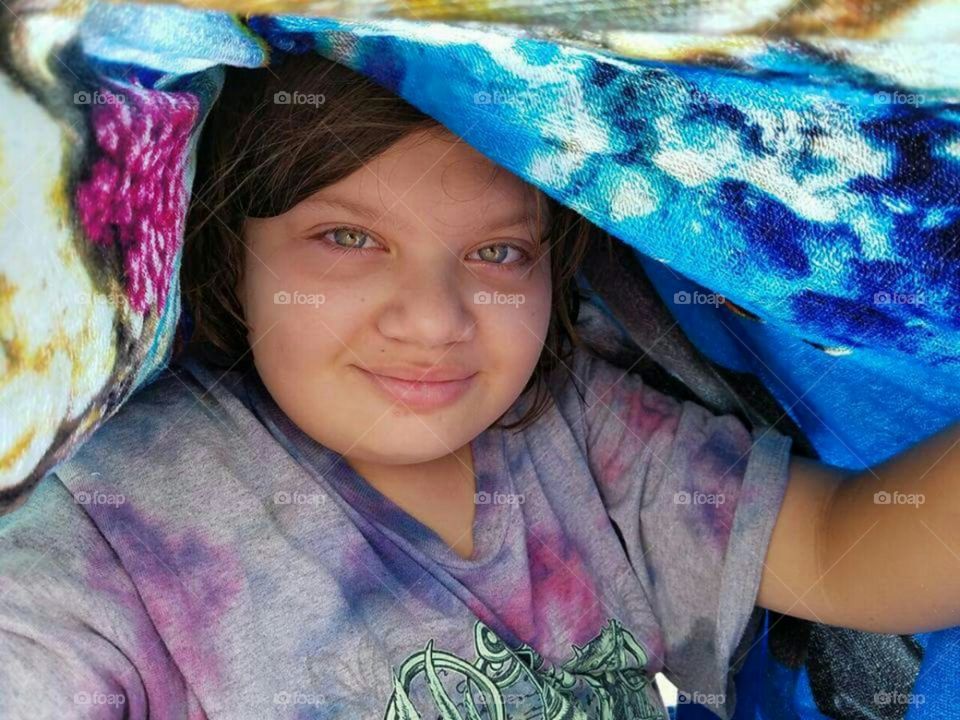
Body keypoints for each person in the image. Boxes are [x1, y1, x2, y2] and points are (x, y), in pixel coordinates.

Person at [0, 52, 956, 720]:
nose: (434, 319)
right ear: (229, 257)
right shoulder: (100, 519)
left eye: (497, 252)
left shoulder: (579, 435)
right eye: (348, 240)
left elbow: (852, 546)